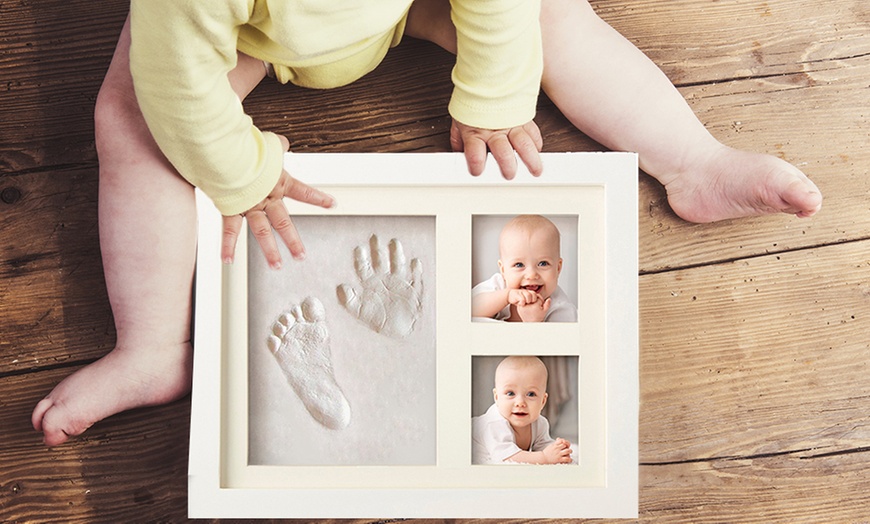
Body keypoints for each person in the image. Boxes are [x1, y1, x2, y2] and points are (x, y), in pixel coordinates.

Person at [32, 0, 822, 446]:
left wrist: (494, 94)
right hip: (249, 36)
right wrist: (239, 173)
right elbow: (176, 82)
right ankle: (150, 346)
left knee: (555, 16)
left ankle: (693, 160)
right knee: (133, 118)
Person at [472, 215, 576, 322]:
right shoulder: (498, 285)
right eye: (519, 265)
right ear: (503, 270)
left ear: (558, 268)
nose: (531, 275)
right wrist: (506, 296)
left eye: (543, 263)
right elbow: (470, 310)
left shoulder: (561, 309)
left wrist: (533, 322)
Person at [472, 356, 573, 464]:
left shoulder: (540, 423)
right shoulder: (494, 424)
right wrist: (544, 458)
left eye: (531, 394)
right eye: (510, 393)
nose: (520, 403)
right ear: (496, 397)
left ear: (543, 401)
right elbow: (506, 457)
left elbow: (542, 446)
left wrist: (557, 449)